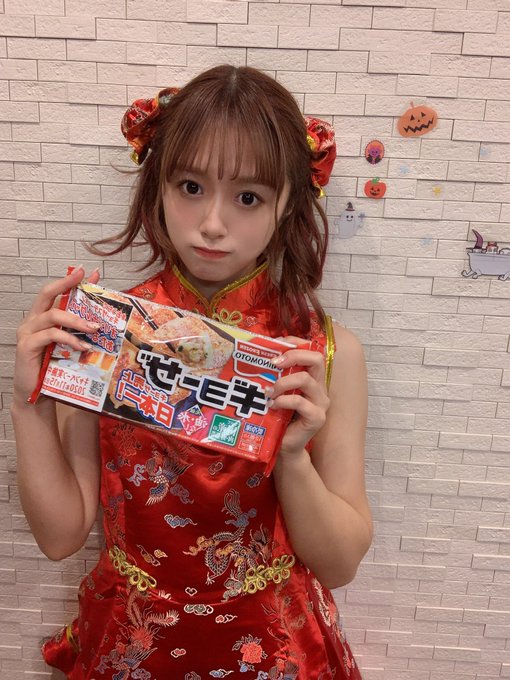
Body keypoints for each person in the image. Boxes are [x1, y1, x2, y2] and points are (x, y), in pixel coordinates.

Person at [12, 65, 372, 679]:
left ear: (288, 202)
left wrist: (291, 456)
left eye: (248, 197)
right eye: (191, 186)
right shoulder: (108, 333)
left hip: (275, 649)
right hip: (133, 642)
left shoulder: (322, 352)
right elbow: (61, 535)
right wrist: (29, 403)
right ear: (158, 186)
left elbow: (339, 565)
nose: (211, 223)